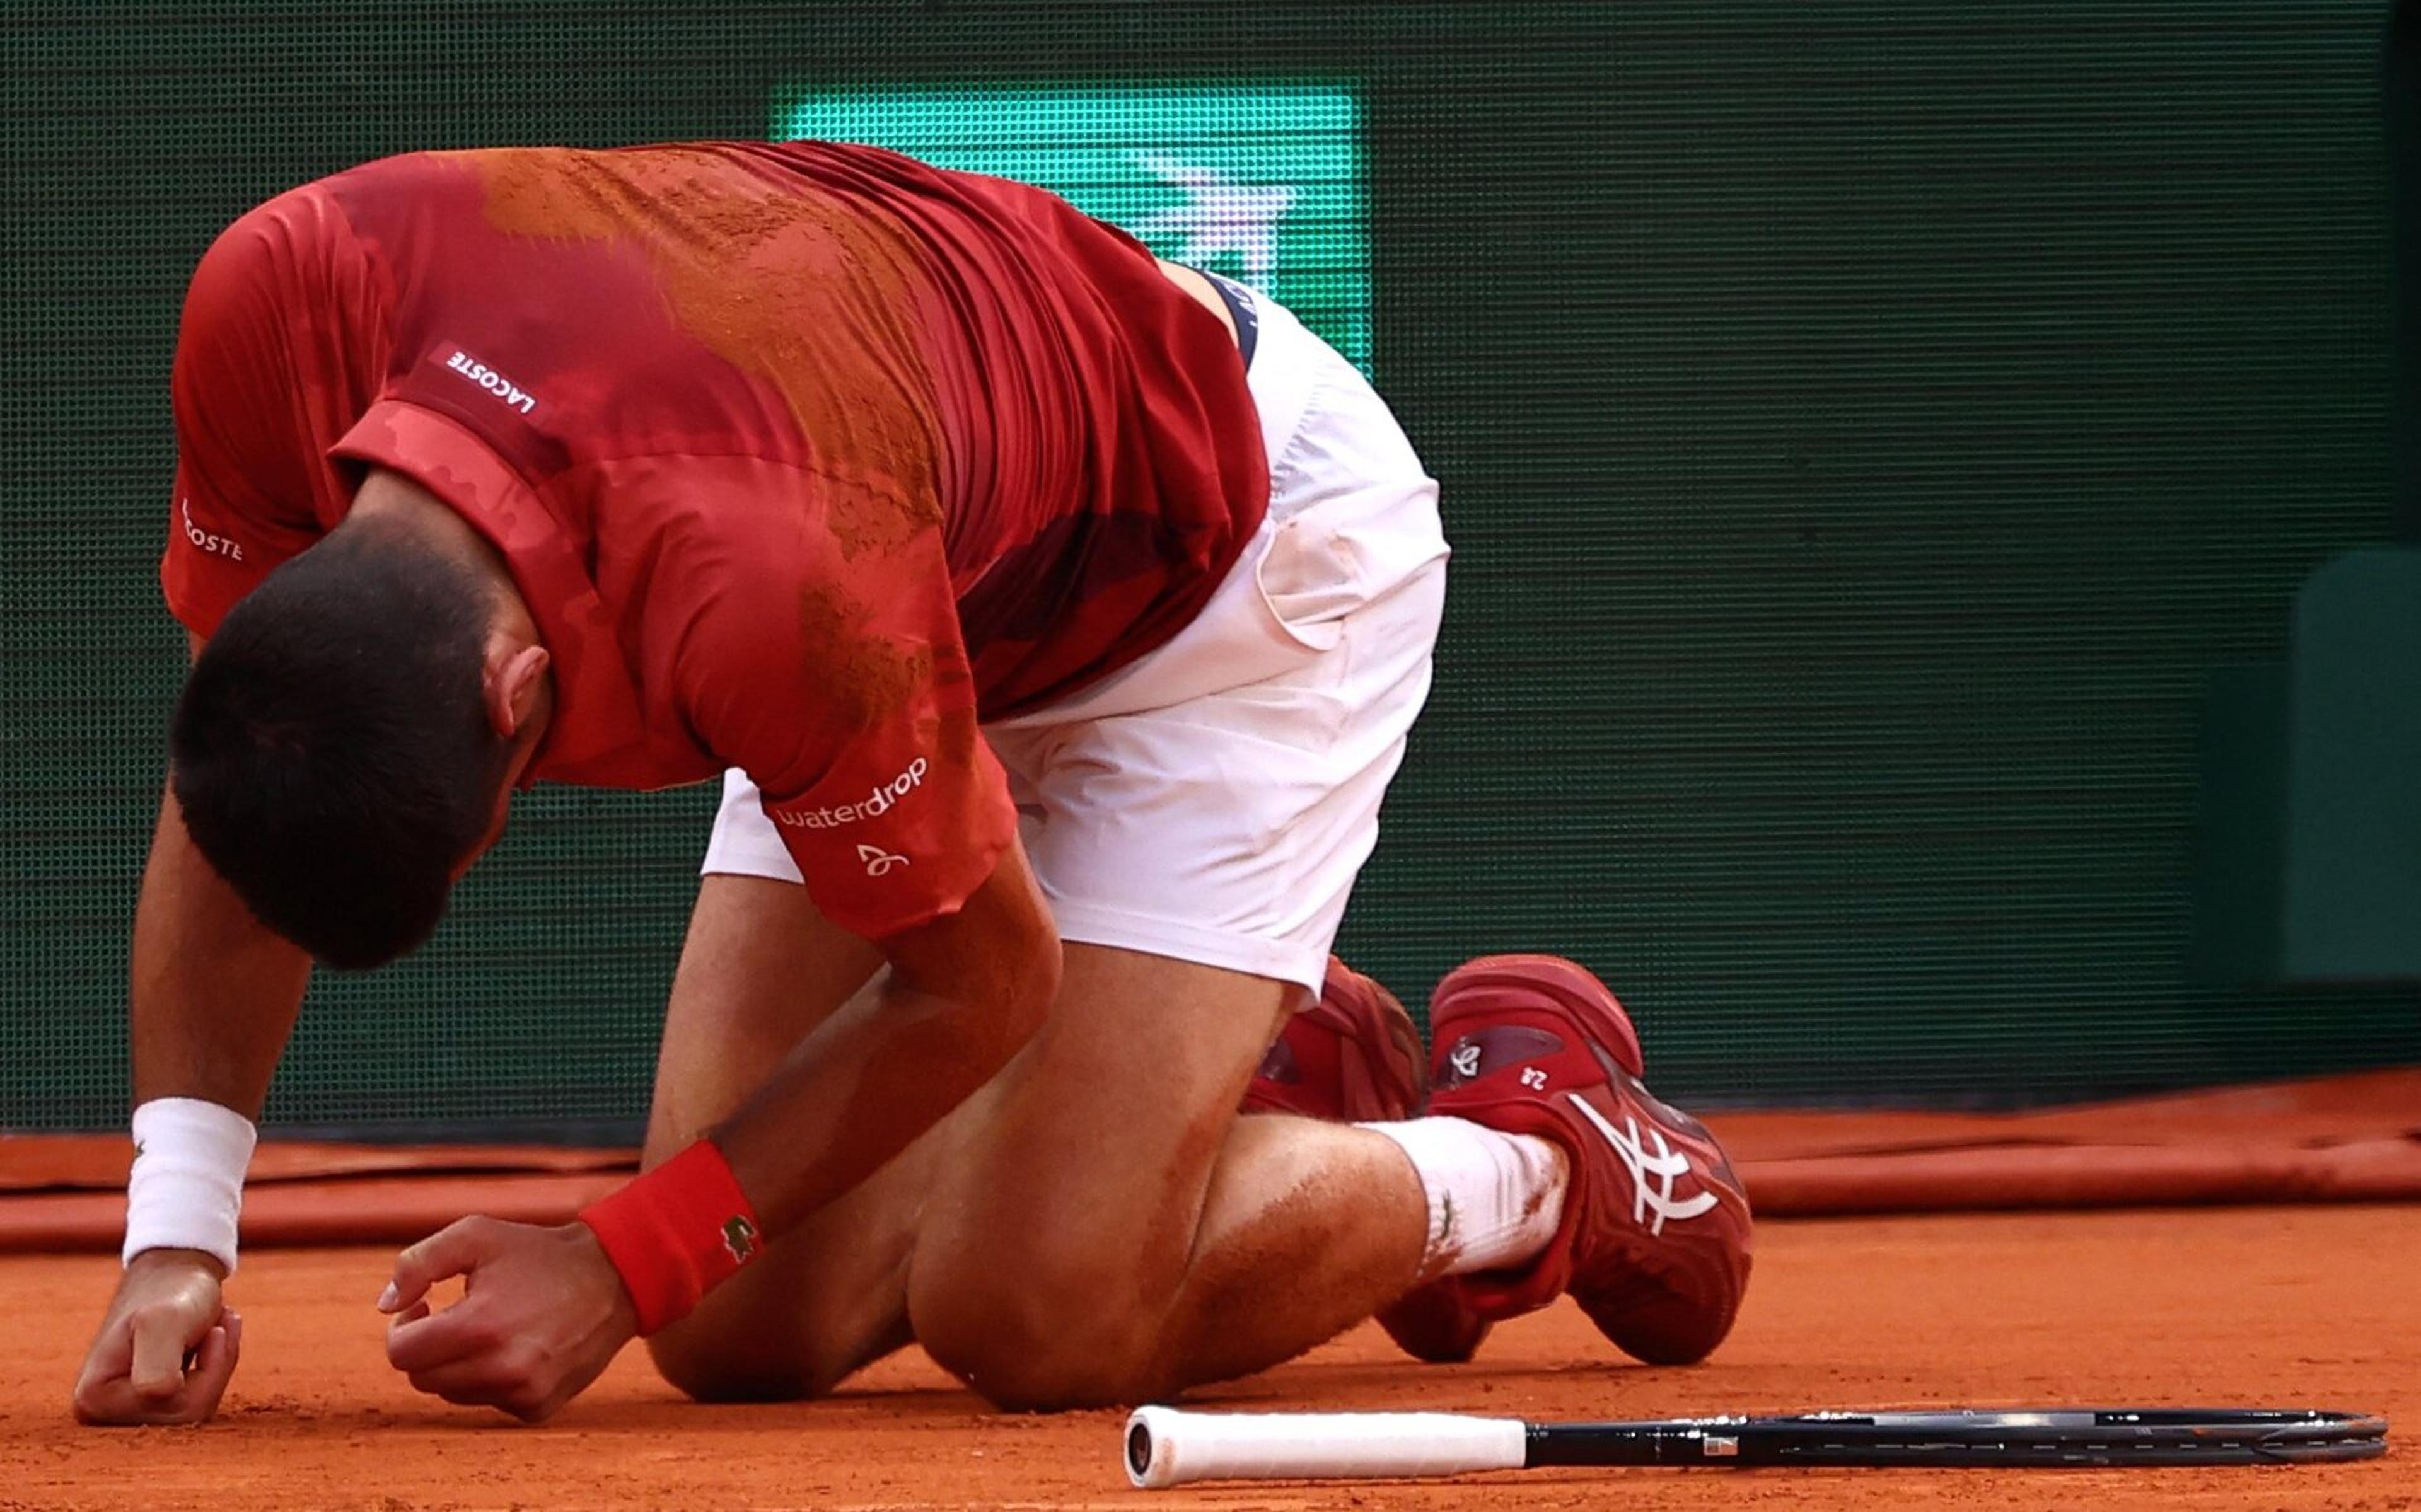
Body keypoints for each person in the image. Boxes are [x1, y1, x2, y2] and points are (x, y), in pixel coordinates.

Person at [71, 139, 1752, 1427]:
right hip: (915, 540)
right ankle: (1249, 1068)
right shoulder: (274, 310)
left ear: (520, 703)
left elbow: (983, 976)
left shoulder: (765, 591)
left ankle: (1536, 1159)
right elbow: (251, 754)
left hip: (1231, 572)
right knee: (735, 1329)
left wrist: (612, 1258)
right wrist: (176, 1234)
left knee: (1038, 1317)